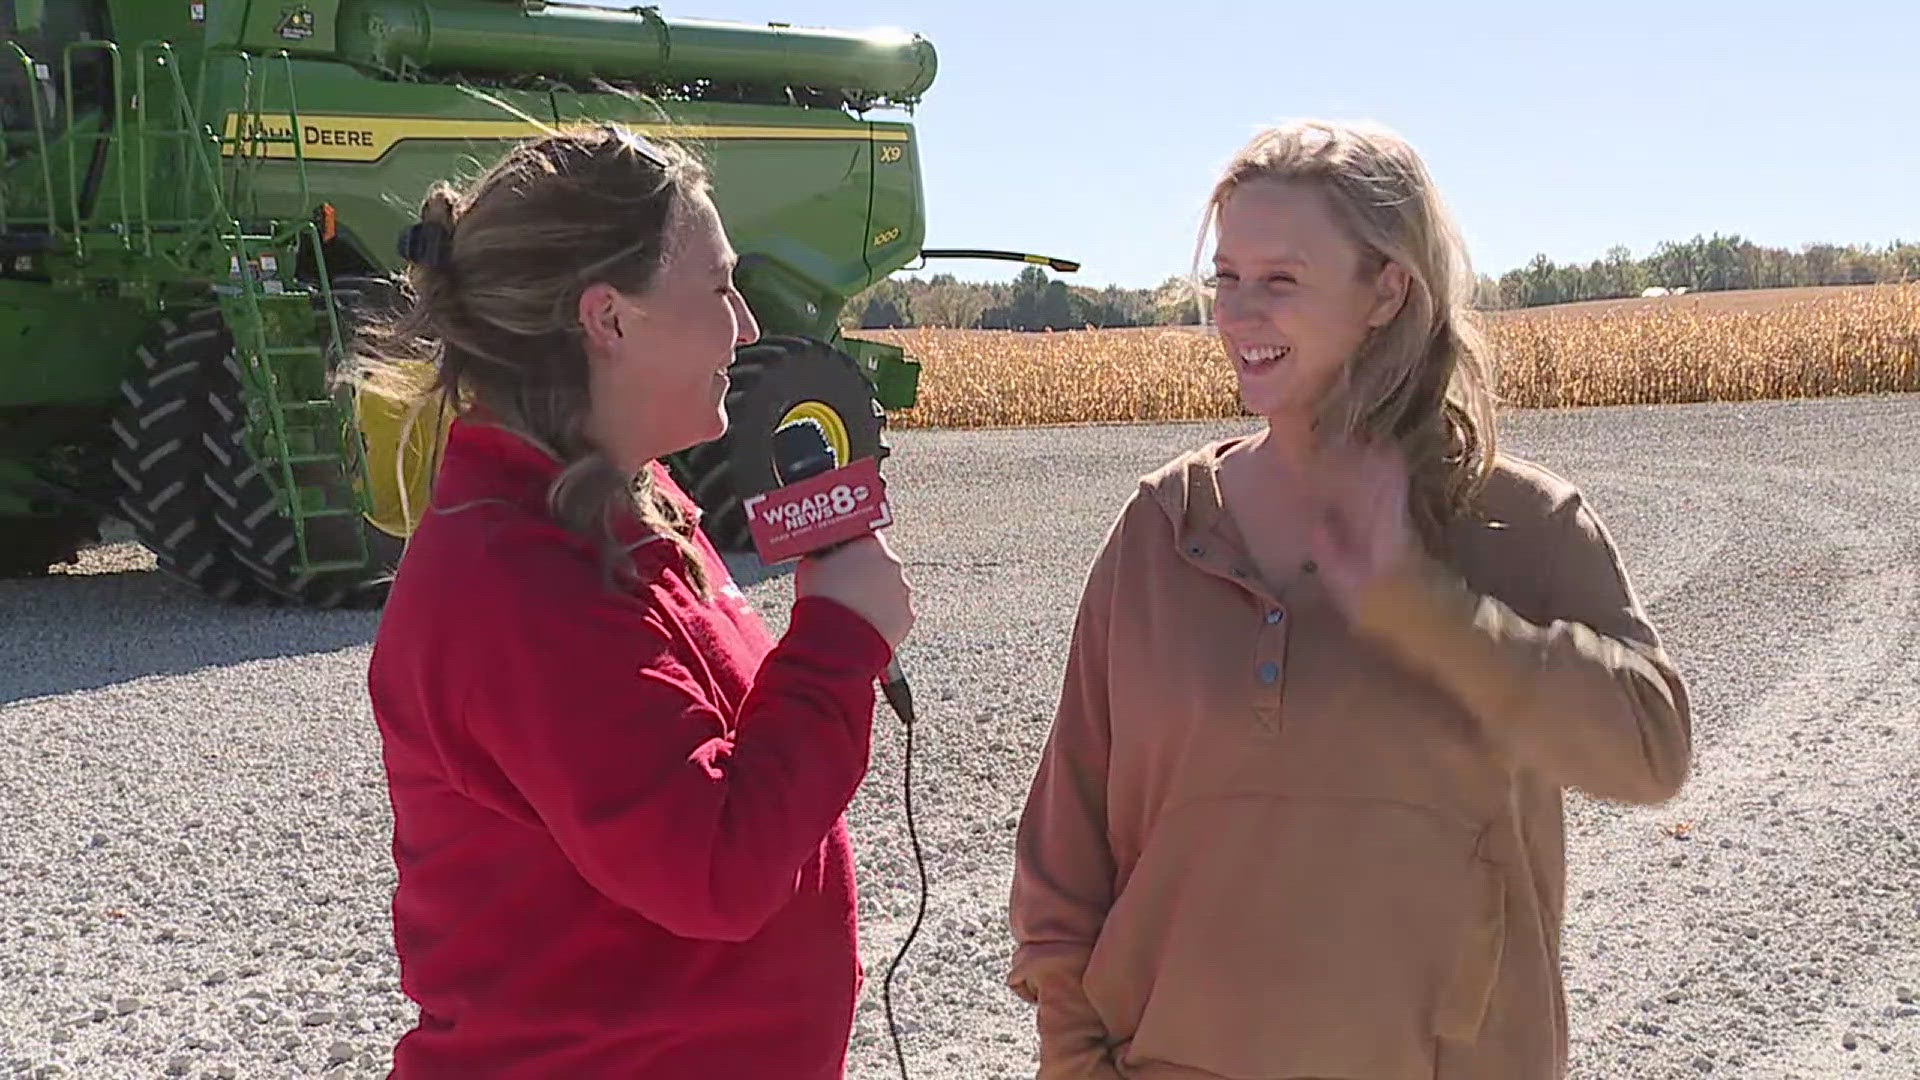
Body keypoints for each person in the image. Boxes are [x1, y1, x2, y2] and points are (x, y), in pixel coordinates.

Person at [1006, 118, 1692, 1080]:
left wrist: (1432, 614)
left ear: (1386, 291)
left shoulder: (1517, 524)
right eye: (1227, 279)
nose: (1241, 314)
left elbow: (1651, 751)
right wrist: (1075, 1057)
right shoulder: (1165, 528)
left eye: (1281, 281)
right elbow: (1065, 849)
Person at [357, 124, 914, 1078]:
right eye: (719, 288)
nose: (745, 326)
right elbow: (715, 867)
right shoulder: (513, 580)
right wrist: (837, 640)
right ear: (608, 319)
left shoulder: (623, 499)